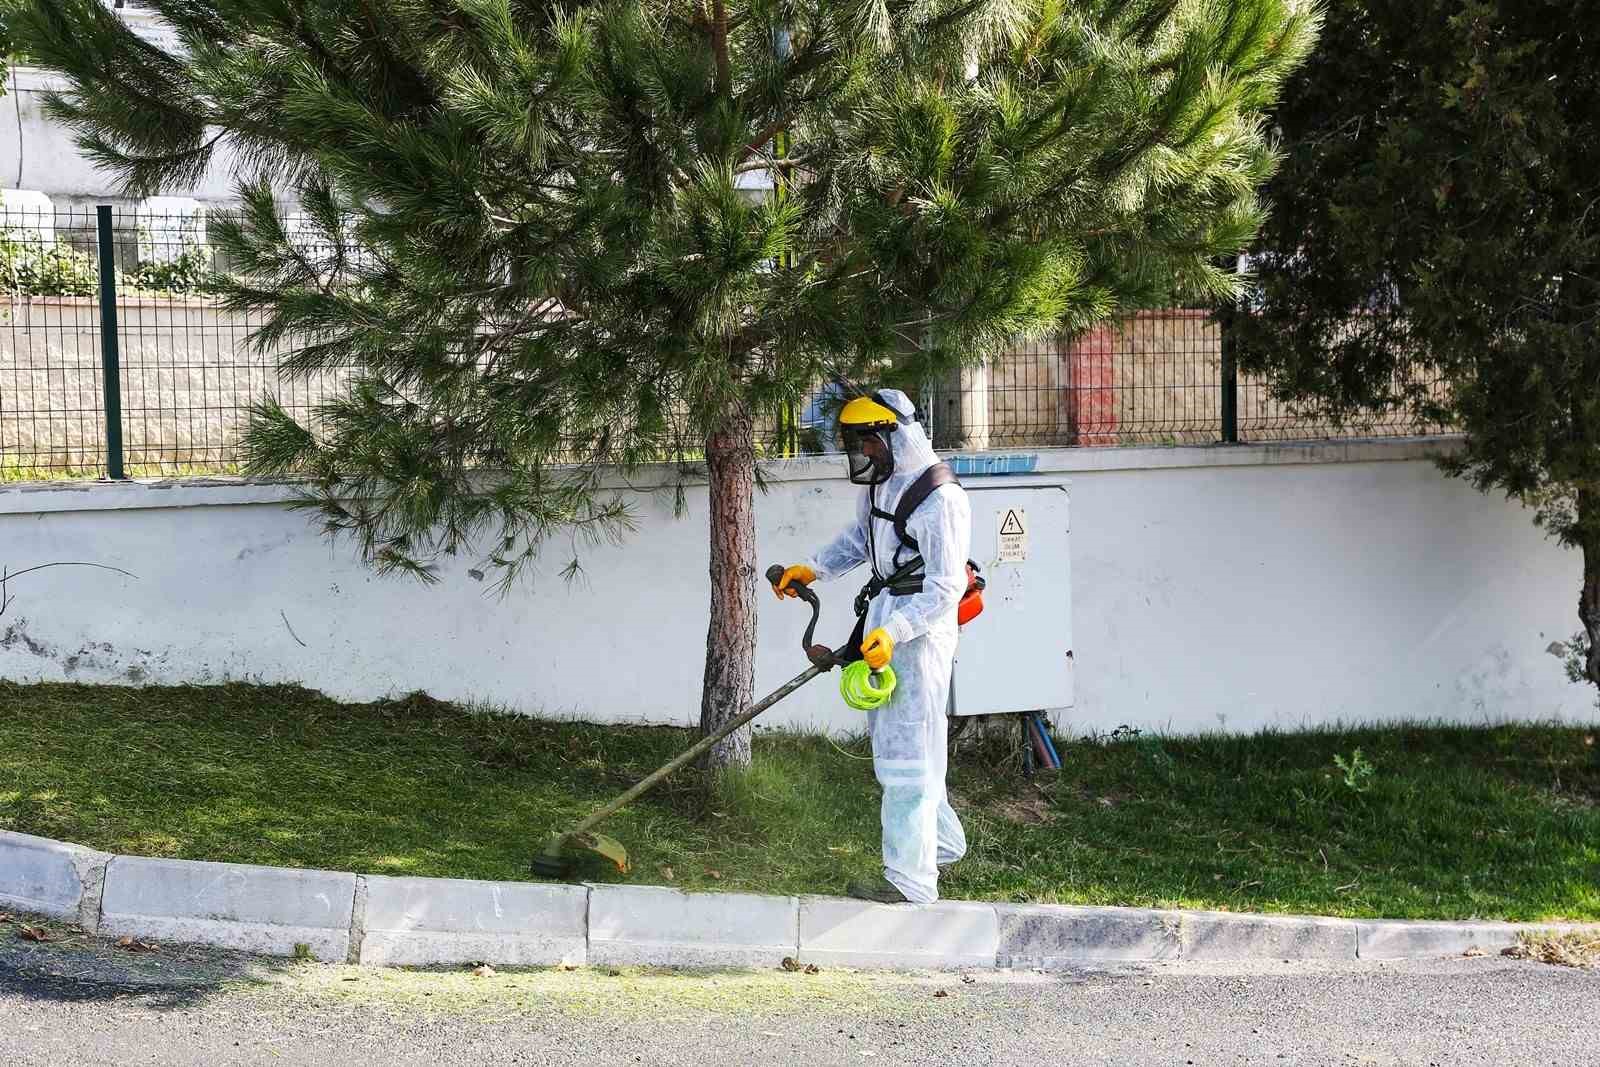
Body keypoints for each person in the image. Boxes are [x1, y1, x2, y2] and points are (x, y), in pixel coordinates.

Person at [771, 388, 971, 904]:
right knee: (906, 747)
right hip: (884, 619)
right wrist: (811, 568)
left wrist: (897, 632)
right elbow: (862, 541)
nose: (863, 452)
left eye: (868, 441)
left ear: (894, 434)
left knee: (907, 753)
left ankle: (910, 881)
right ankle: (940, 844)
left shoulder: (941, 499)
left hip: (920, 632)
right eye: (856, 443)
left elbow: (946, 589)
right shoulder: (882, 486)